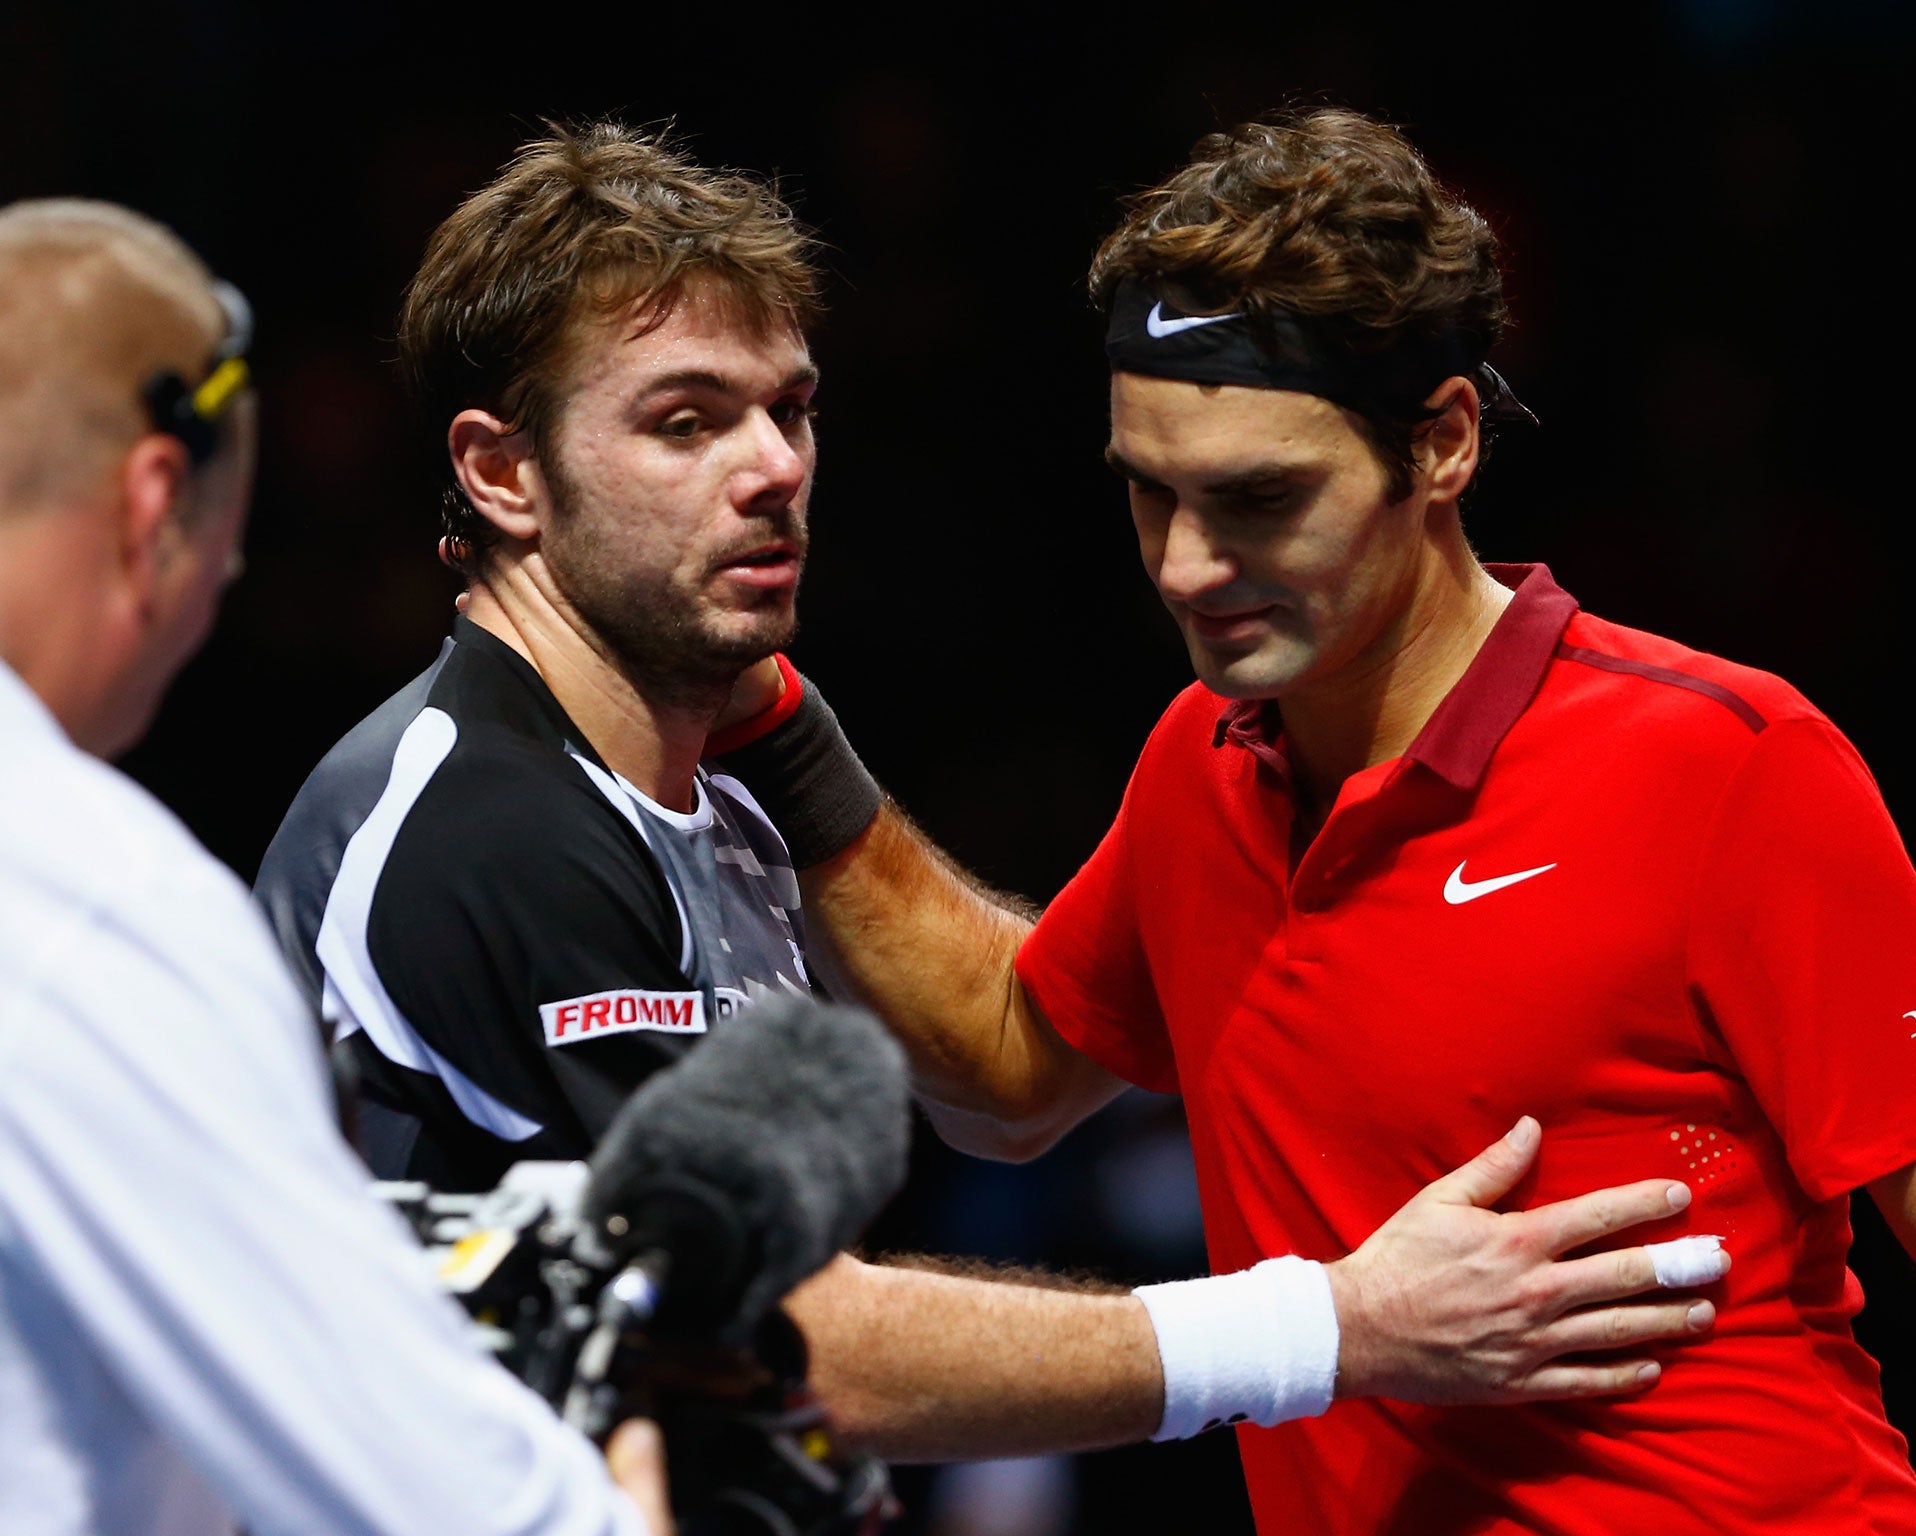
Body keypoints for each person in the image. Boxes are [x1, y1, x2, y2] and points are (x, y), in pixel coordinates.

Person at [255, 122, 1728, 1466]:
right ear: (502, 475)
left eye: (792, 409)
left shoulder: (718, 794)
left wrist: (796, 751)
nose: (774, 468)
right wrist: (1329, 1329)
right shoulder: (486, 829)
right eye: (687, 421)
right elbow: (783, 1330)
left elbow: (999, 1085)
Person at [718, 109, 1916, 1532]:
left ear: (1444, 446)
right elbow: (1004, 1068)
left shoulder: (1729, 759)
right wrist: (762, 716)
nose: (1184, 566)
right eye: (1148, 493)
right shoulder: (1199, 764)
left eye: (1259, 500)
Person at [0, 198, 672, 1536]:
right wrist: (622, 1502)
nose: (227, 575)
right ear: (153, 507)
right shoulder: (86, 900)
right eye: (224, 535)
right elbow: (448, 1505)